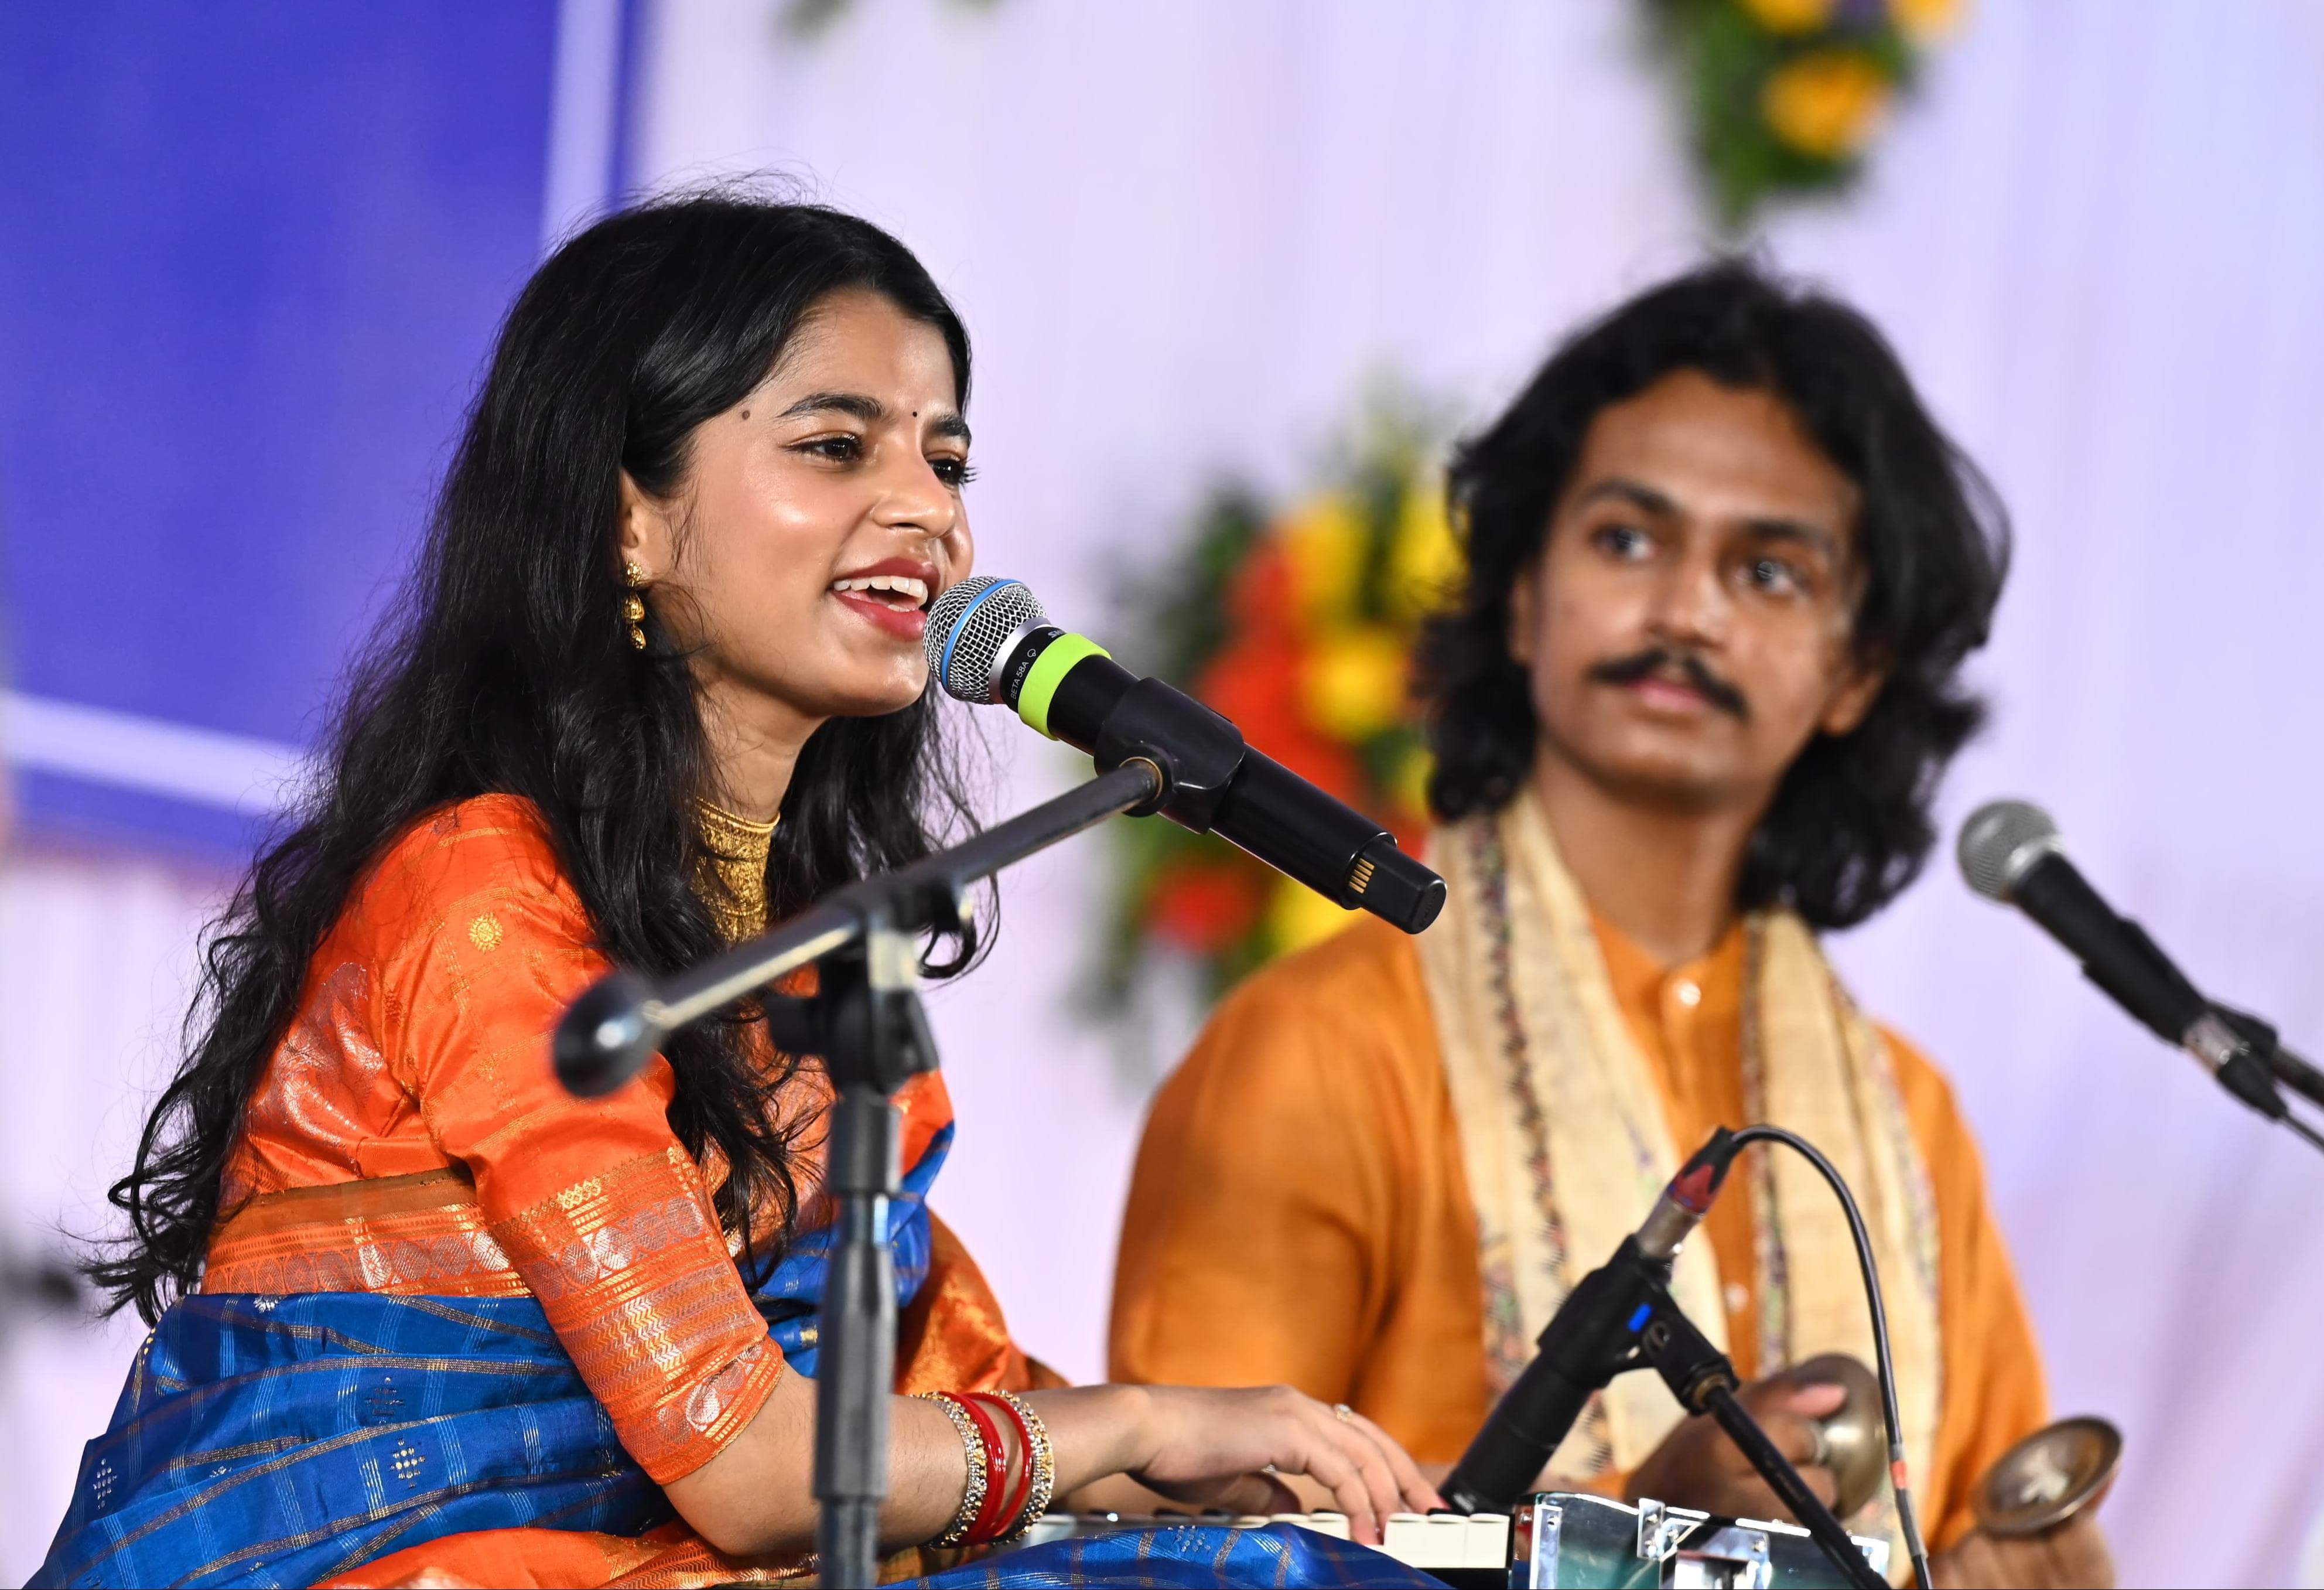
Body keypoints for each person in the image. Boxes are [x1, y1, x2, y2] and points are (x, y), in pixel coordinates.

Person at [35, 196, 1441, 1590]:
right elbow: (756, 1466)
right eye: (836, 446)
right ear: (627, 521)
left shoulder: (813, 954)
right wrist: (1138, 1424)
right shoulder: (485, 894)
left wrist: (1269, 1473)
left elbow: (944, 1404)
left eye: (947, 459)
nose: (929, 511)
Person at [1109, 262, 2112, 1587]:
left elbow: (1984, 1529)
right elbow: (1180, 1558)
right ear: (1524, 595)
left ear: (1854, 669)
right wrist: (1623, 1537)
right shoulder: (1319, 1050)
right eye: (1629, 541)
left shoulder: (1908, 1125)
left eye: (1768, 569)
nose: (1686, 610)